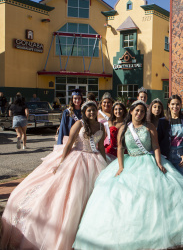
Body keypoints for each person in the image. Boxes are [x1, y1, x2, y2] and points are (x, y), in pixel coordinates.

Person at [73, 100, 183, 249]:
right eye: (136, 111)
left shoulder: (149, 126)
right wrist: (120, 167)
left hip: (149, 162)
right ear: (131, 112)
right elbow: (120, 148)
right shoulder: (124, 127)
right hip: (130, 162)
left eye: (142, 111)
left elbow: (155, 146)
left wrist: (159, 163)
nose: (139, 113)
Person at [1, 101, 107, 250]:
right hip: (77, 158)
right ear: (84, 112)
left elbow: (101, 146)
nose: (91, 113)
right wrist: (62, 162)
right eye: (88, 110)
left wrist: (106, 164)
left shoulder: (101, 127)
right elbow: (69, 143)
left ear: (97, 111)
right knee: (74, 192)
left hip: (95, 160)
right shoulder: (79, 125)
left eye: (93, 110)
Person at [158, 95, 183, 181]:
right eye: (172, 104)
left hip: (182, 157)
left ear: (181, 105)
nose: (175, 107)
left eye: (177, 104)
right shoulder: (162, 121)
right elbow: (158, 142)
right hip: (167, 157)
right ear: (169, 105)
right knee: (170, 184)